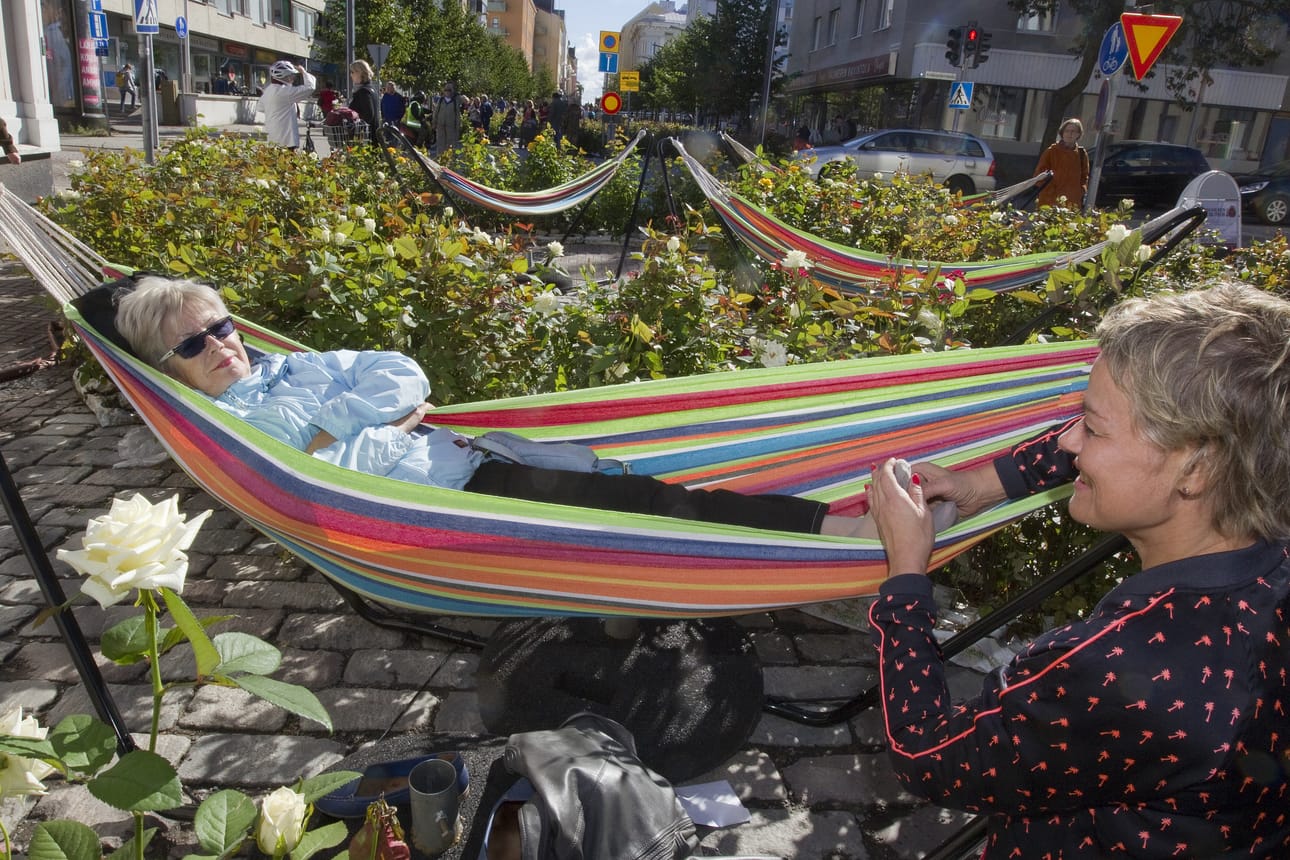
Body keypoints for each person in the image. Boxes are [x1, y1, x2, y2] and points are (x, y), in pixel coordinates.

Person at [865, 282, 1290, 858]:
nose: (1069, 441)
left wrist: (906, 578)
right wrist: (987, 485)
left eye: (1091, 426)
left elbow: (927, 755)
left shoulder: (1121, 664)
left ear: (1198, 466)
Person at [114, 276, 883, 539]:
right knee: (647, 507)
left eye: (222, 326)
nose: (222, 346)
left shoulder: (299, 366)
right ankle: (830, 529)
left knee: (645, 483)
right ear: (169, 373)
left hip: (471, 457)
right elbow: (321, 473)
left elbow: (403, 373)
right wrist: (367, 421)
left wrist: (343, 420)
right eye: (195, 347)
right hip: (448, 499)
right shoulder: (236, 429)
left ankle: (817, 520)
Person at [255, 60, 316, 149]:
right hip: (286, 139)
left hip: (273, 136)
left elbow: (260, 107)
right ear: (284, 76)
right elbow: (310, 87)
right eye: (291, 76)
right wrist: (303, 72)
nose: (293, 78)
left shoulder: (269, 90)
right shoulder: (284, 92)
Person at [1034, 117, 1089, 208]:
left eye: (1073, 131)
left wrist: (1080, 191)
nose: (1069, 134)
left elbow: (1084, 176)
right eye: (1067, 131)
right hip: (1049, 201)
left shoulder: (1082, 154)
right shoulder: (1052, 151)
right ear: (1062, 133)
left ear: (1078, 134)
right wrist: (1050, 191)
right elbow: (1039, 174)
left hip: (1071, 202)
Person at [347, 60, 380, 145]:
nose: (351, 75)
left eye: (352, 72)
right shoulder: (371, 89)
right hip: (374, 135)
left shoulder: (363, 92)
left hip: (366, 138)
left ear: (360, 73)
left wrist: (355, 126)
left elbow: (369, 114)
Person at [433, 82, 462, 155]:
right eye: (446, 90)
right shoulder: (441, 100)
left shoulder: (455, 102)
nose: (447, 92)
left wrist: (458, 126)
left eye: (449, 90)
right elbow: (436, 112)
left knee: (450, 144)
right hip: (440, 125)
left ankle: (449, 159)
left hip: (451, 126)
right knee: (440, 143)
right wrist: (434, 122)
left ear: (452, 91)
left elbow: (457, 115)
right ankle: (439, 159)